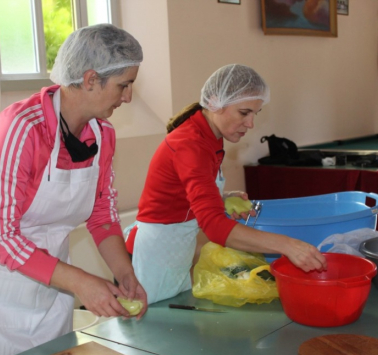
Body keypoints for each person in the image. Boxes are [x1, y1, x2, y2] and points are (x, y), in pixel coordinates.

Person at [0, 24, 147, 355]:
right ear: (90, 79)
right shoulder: (20, 129)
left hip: (50, 282)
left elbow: (102, 214)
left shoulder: (102, 134)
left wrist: (123, 272)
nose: (127, 97)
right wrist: (81, 282)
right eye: (124, 85)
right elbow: (1, 236)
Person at [125, 64, 327, 304]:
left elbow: (184, 191)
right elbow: (215, 227)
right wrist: (288, 245)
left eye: (255, 114)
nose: (251, 124)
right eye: (244, 113)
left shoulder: (211, 137)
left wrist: (220, 198)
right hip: (153, 256)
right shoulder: (190, 143)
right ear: (214, 103)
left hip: (175, 252)